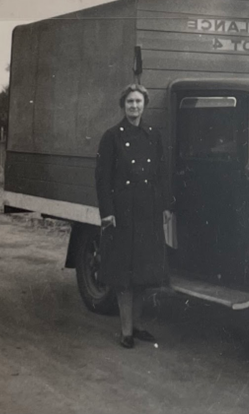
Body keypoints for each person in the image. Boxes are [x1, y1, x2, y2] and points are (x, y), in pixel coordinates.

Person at [95, 83, 171, 349]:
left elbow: (161, 175)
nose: (134, 107)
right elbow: (103, 179)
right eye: (130, 102)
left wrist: (163, 207)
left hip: (147, 213)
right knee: (124, 276)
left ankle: (137, 326)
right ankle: (126, 331)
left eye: (138, 102)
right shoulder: (112, 137)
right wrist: (108, 214)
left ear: (144, 105)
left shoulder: (153, 135)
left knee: (143, 274)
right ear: (123, 105)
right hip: (123, 215)